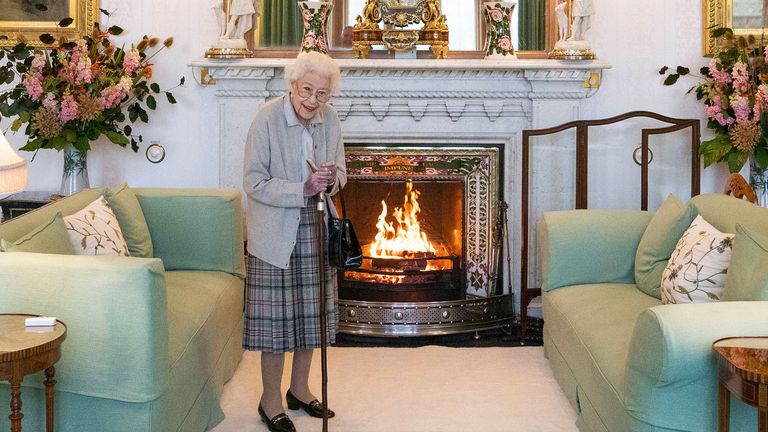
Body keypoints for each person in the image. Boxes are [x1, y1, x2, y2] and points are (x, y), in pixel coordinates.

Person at [242, 51, 345, 432]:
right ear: (292, 85)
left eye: (322, 94)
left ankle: (299, 390)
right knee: (276, 324)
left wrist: (330, 180)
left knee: (310, 317)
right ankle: (270, 401)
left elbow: (342, 173)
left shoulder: (329, 119)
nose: (313, 101)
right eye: (307, 90)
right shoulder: (267, 118)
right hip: (274, 232)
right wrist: (301, 187)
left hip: (317, 226)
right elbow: (253, 183)